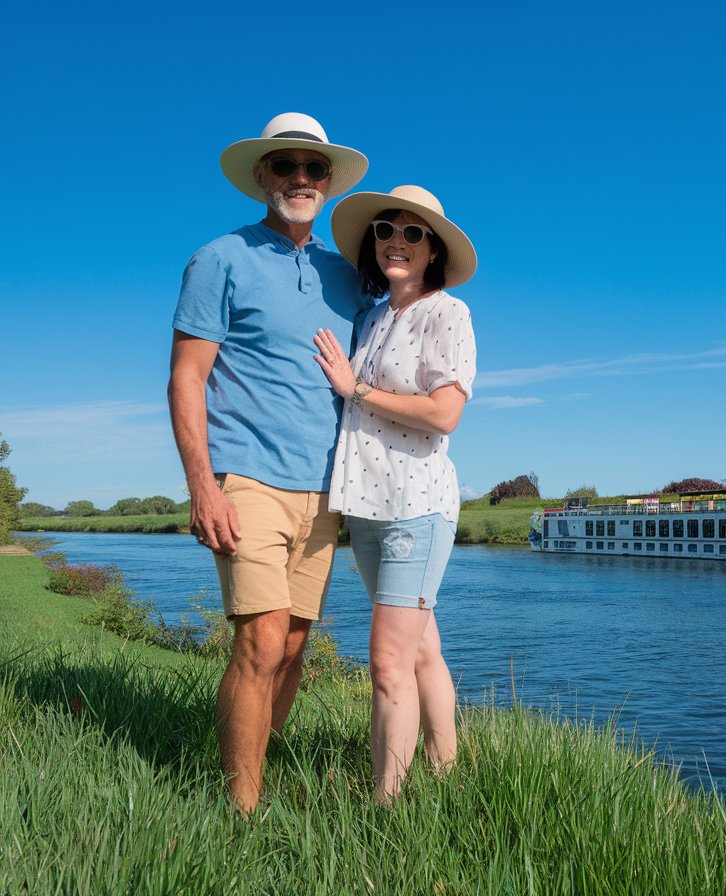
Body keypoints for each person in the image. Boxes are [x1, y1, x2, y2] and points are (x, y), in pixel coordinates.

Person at [168, 113, 369, 814]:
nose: (302, 180)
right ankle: (240, 815)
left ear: (329, 183)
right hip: (245, 476)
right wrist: (203, 487)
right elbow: (187, 377)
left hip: (323, 491)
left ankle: (255, 767)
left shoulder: (347, 276)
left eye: (314, 170)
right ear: (262, 177)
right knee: (259, 636)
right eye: (287, 167)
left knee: (291, 648)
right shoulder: (219, 258)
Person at [313, 185, 477, 801]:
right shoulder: (373, 317)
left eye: (412, 232)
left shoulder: (448, 313)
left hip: (417, 507)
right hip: (368, 508)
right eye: (385, 230)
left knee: (387, 663)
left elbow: (444, 414)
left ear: (432, 248)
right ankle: (446, 775)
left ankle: (386, 805)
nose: (397, 242)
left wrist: (356, 390)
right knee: (422, 649)